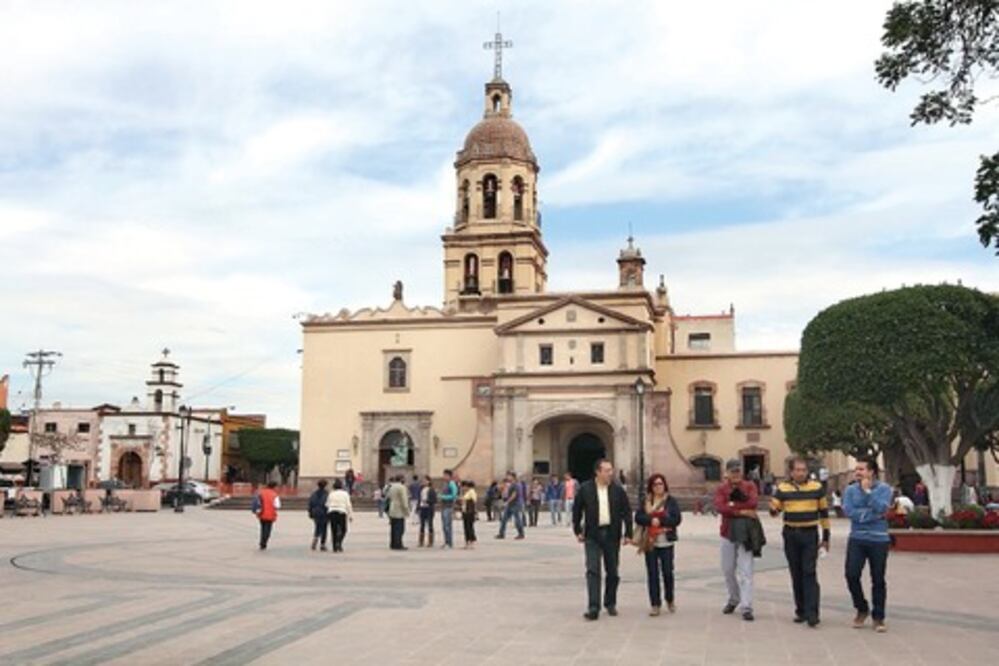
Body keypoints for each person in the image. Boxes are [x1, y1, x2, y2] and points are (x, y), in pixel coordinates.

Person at [770, 458, 831, 628]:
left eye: (803, 470)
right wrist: (774, 507)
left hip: (810, 534)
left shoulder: (817, 488)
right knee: (796, 572)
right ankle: (801, 610)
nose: (800, 473)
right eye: (797, 470)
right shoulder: (783, 488)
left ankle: (813, 613)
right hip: (791, 534)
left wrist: (826, 538)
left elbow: (824, 514)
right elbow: (775, 510)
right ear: (791, 472)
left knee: (809, 572)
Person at [573, 459, 633, 620]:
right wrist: (577, 530)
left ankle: (610, 602)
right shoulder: (585, 489)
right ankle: (593, 607)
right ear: (598, 472)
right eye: (606, 470)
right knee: (593, 570)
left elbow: (626, 512)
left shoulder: (617, 490)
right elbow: (577, 509)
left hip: (612, 534)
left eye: (611, 470)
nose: (610, 473)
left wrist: (628, 533)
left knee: (612, 571)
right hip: (592, 534)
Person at [842, 456, 893, 633]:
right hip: (857, 538)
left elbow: (882, 509)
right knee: (851, 574)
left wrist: (868, 493)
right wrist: (869, 515)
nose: (857, 472)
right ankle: (862, 608)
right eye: (856, 469)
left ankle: (878, 617)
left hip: (879, 539)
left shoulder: (884, 489)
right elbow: (848, 511)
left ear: (871, 471)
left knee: (878, 579)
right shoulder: (850, 490)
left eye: (861, 469)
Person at [713, 459, 759, 622]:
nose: (736, 474)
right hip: (727, 532)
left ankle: (747, 606)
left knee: (746, 570)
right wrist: (742, 511)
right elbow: (721, 507)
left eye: (738, 471)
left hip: (746, 532)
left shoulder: (749, 486)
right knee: (727, 568)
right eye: (732, 471)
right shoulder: (721, 489)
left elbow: (753, 502)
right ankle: (734, 597)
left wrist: (733, 506)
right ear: (727, 473)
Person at [634, 473, 682, 616]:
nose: (658, 486)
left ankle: (670, 598)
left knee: (668, 572)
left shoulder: (671, 501)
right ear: (651, 487)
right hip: (650, 542)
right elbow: (638, 517)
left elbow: (677, 519)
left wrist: (661, 521)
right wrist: (650, 520)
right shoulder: (646, 501)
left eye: (660, 483)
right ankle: (655, 604)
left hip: (666, 541)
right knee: (652, 573)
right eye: (655, 484)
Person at [326, 478, 353, 552]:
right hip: (342, 512)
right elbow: (348, 505)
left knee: (333, 530)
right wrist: (350, 515)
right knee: (344, 529)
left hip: (332, 512)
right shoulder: (345, 494)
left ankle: (335, 546)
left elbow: (327, 504)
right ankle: (339, 541)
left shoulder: (331, 494)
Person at [253, 481, 281, 550]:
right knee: (268, 529)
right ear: (274, 487)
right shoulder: (274, 495)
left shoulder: (261, 492)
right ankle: (264, 542)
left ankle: (262, 542)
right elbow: (277, 505)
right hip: (270, 514)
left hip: (261, 513)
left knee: (263, 528)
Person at [496, 472, 525, 539]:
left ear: (513, 477)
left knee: (517, 519)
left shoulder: (516, 484)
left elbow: (514, 495)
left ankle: (521, 534)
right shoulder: (512, 484)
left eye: (508, 476)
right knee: (504, 519)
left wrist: (507, 502)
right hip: (510, 504)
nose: (507, 477)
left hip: (516, 504)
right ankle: (501, 534)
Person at [387, 475, 410, 550]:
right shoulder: (402, 487)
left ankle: (393, 543)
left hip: (392, 509)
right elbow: (404, 500)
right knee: (400, 528)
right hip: (399, 510)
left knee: (393, 528)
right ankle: (398, 544)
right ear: (402, 479)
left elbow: (388, 496)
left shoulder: (391, 487)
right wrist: (407, 510)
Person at [439, 469, 459, 549]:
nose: (444, 477)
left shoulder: (452, 484)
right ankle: (446, 541)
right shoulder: (445, 484)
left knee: (447, 525)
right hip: (443, 506)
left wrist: (443, 497)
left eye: (445, 475)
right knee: (444, 526)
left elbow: (454, 495)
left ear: (449, 476)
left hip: (448, 506)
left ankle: (449, 542)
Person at [308, 480, 329, 551]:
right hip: (324, 513)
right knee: (324, 529)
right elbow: (327, 504)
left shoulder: (314, 494)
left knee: (317, 526)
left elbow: (310, 504)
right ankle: (322, 544)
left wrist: (310, 512)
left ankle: (315, 539)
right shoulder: (327, 494)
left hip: (315, 512)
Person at [418, 475, 437, 547]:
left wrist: (427, 501)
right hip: (422, 508)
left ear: (429, 481)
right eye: (423, 480)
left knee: (430, 524)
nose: (424, 482)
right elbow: (419, 499)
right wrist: (418, 507)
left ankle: (430, 541)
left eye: (426, 480)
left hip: (429, 508)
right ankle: (421, 541)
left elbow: (434, 500)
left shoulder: (431, 490)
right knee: (422, 524)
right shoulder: (421, 489)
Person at [461, 480, 478, 548]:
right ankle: (467, 541)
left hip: (469, 512)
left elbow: (473, 501)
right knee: (466, 527)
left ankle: (471, 541)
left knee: (469, 527)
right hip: (465, 511)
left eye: (463, 487)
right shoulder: (467, 492)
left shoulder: (471, 492)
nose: (462, 488)